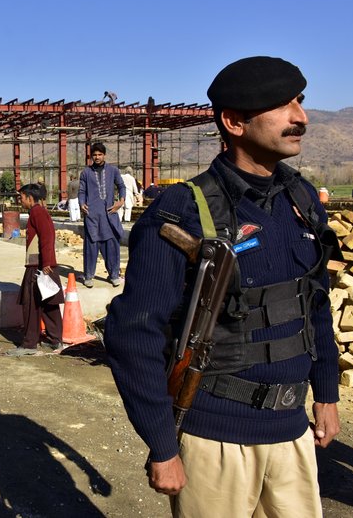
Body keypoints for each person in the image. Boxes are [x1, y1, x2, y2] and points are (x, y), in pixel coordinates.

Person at [103, 56, 340, 517]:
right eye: (281, 105)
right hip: (215, 439)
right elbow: (134, 334)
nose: (301, 117)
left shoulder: (303, 200)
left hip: (292, 432)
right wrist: (161, 445)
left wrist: (326, 392)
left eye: (300, 101)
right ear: (234, 122)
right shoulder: (182, 211)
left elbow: (315, 304)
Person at [8, 183, 64, 356]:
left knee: (31, 304)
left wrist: (46, 262)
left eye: (22, 197)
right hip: (42, 264)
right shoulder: (38, 211)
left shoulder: (37, 212)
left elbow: (47, 235)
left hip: (38, 265)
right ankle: (56, 340)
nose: (21, 200)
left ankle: (29, 344)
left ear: (29, 197)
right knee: (49, 302)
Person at [78, 142, 126, 288]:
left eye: (100, 154)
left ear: (104, 155)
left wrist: (121, 201)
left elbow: (121, 186)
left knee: (111, 245)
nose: (97, 157)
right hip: (92, 215)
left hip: (109, 215)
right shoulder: (86, 173)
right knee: (91, 246)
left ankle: (114, 275)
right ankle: (88, 276)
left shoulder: (113, 171)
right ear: (91, 156)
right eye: (94, 155)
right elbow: (81, 191)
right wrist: (81, 203)